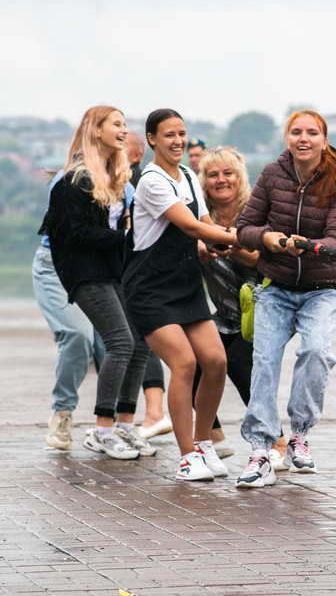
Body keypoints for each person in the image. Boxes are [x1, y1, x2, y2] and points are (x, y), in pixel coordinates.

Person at [234, 110, 336, 488]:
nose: (303, 138)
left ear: (324, 140)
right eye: (296, 132)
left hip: (322, 289)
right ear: (287, 138)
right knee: (263, 360)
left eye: (312, 132)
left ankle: (299, 434)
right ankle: (260, 449)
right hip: (275, 286)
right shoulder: (271, 174)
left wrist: (309, 248)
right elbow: (245, 228)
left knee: (316, 351)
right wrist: (268, 239)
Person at [123, 109, 238, 481]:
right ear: (152, 139)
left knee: (216, 361)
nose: (178, 141)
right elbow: (188, 226)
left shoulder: (189, 174)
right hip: (149, 290)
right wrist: (243, 238)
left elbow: (204, 223)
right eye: (169, 135)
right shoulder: (151, 181)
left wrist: (219, 241)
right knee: (185, 364)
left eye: (182, 133)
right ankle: (188, 457)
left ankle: (204, 444)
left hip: (186, 285)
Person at [39, 106, 154, 461]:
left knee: (139, 343)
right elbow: (75, 236)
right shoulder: (74, 180)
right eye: (117, 125)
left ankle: (124, 425)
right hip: (85, 273)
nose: (124, 130)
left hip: (114, 270)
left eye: (124, 124)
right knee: (119, 342)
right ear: (96, 130)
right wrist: (128, 239)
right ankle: (102, 430)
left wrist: (130, 240)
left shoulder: (116, 175)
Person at [193, 147, 287, 464]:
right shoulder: (197, 219)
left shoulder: (256, 212)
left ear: (240, 177)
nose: (221, 180)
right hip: (225, 314)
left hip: (264, 308)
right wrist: (199, 249)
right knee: (193, 360)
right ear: (203, 182)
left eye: (228, 173)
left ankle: (278, 442)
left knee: (237, 360)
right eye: (213, 175)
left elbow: (268, 260)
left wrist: (236, 247)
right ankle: (213, 438)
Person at [33, 168, 104, 450]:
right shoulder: (70, 178)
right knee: (77, 334)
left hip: (98, 268)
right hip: (56, 267)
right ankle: (62, 414)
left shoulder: (125, 180)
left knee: (114, 344)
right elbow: (75, 233)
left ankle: (111, 425)